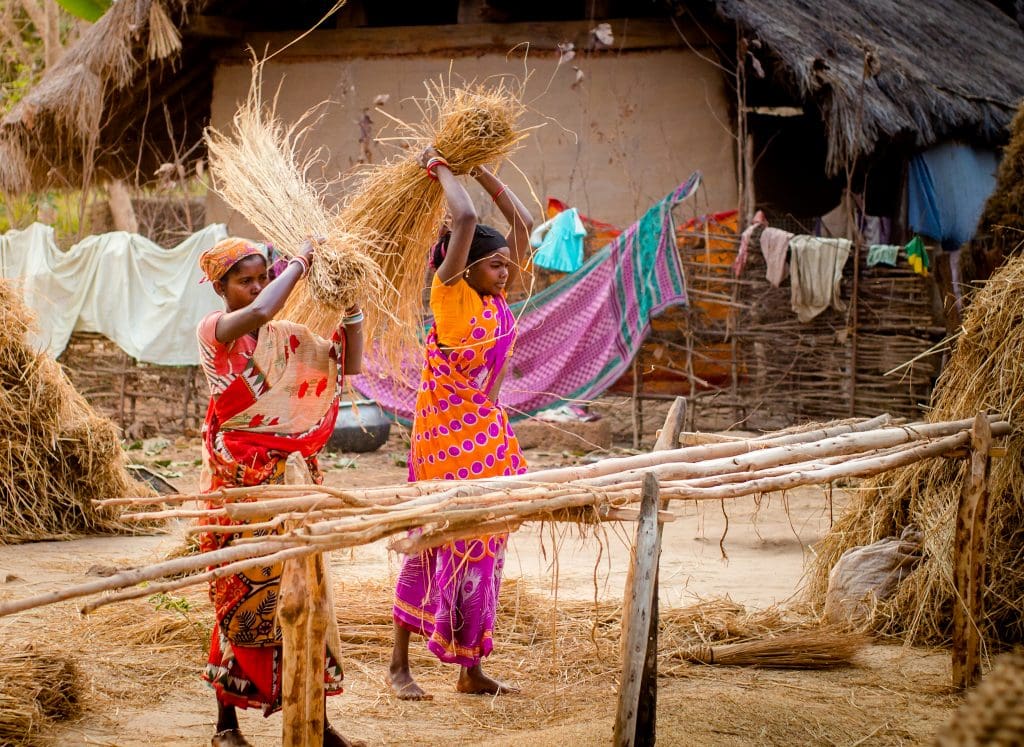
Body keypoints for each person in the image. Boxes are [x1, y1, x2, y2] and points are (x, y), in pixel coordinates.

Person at [195, 236, 364, 747]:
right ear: (219, 285)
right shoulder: (216, 330)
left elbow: (348, 366)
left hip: (289, 480)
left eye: (259, 278)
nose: (255, 289)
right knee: (242, 599)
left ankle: (317, 719)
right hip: (237, 485)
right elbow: (268, 305)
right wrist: (302, 261)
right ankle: (226, 725)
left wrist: (353, 309)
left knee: (305, 593)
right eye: (244, 280)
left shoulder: (284, 337)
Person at [388, 147, 534, 700]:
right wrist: (441, 167)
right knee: (432, 537)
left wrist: (481, 168)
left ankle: (469, 669)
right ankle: (399, 665)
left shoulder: (497, 299)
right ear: (465, 264)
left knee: (485, 542)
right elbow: (466, 219)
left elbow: (522, 223)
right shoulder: (450, 297)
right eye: (495, 265)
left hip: (487, 433)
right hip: (445, 437)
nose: (505, 271)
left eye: (504, 265)